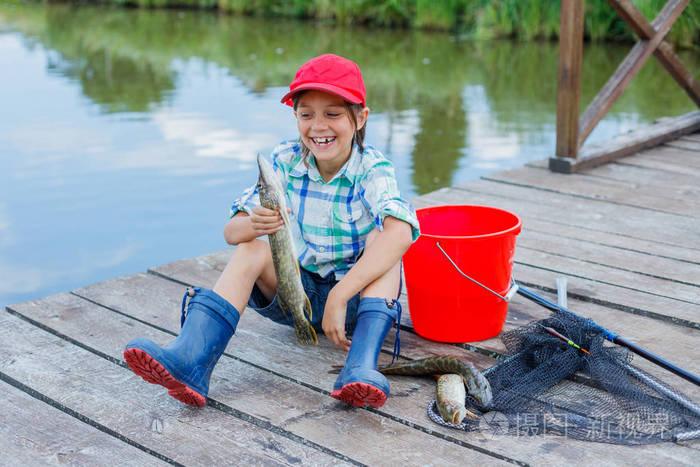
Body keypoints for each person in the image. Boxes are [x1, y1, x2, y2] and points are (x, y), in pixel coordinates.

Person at [124, 53, 420, 409]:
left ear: (360, 118)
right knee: (251, 248)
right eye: (306, 113)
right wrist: (253, 224)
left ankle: (359, 368)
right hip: (295, 294)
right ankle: (191, 361)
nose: (318, 126)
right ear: (295, 117)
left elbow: (402, 233)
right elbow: (231, 233)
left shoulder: (372, 168)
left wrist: (342, 294)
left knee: (384, 240)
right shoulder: (284, 160)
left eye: (333, 113)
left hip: (356, 302)